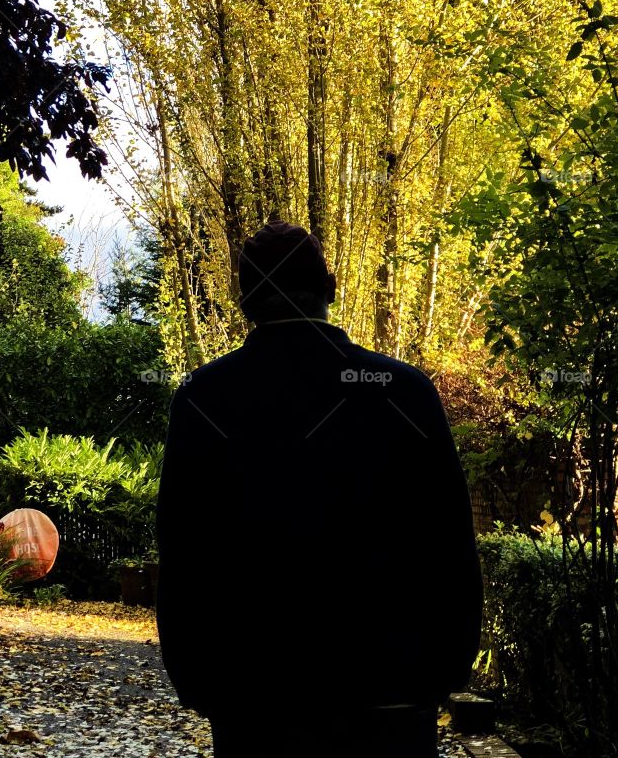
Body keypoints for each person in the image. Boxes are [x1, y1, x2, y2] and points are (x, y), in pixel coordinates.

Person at [155, 219, 483, 757]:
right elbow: (449, 541)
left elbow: (185, 551)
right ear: (330, 288)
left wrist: (198, 680)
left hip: (256, 702)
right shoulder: (404, 393)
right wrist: (443, 671)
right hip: (389, 698)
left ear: (244, 301)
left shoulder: (203, 399)